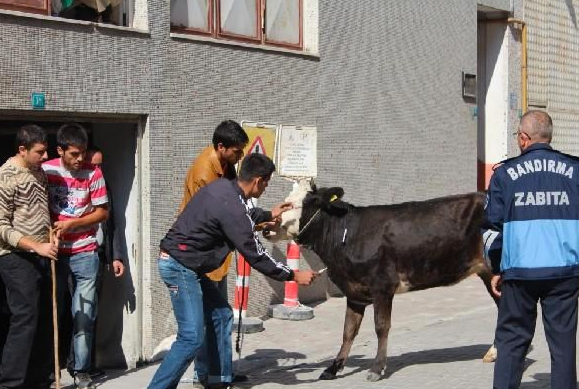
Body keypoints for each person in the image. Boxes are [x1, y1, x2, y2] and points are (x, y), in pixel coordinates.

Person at [148, 154, 318, 389]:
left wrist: (269, 214)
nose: (266, 187)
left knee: (220, 314)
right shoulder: (234, 209)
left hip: (188, 265)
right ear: (258, 181)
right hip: (179, 266)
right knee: (191, 338)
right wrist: (293, 276)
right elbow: (256, 255)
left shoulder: (224, 188)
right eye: (267, 182)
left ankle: (217, 380)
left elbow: (244, 213)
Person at [484, 110, 579, 389]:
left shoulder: (504, 175)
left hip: (519, 273)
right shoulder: (575, 171)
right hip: (564, 273)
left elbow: (491, 230)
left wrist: (497, 267)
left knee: (512, 343)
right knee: (563, 346)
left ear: (524, 138)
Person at [178, 120, 248, 386]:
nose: (240, 156)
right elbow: (219, 215)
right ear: (221, 147)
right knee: (209, 318)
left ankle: (222, 371)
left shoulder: (226, 166)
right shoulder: (204, 172)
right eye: (237, 151)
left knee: (220, 315)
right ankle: (204, 374)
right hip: (200, 253)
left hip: (217, 252)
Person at [43, 123, 109, 389]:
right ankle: (47, 370)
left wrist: (72, 224)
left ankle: (81, 370)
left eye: (82, 153)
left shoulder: (94, 173)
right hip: (52, 252)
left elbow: (103, 213)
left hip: (85, 251)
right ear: (60, 150)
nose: (79, 159)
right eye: (73, 154)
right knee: (50, 313)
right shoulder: (46, 171)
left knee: (84, 314)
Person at [0, 124, 58, 389]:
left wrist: (52, 235)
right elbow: (1, 226)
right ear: (22, 149)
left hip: (44, 253)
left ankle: (39, 381)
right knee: (25, 318)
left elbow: (42, 211)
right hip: (15, 257)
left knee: (45, 318)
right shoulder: (5, 176)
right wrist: (35, 246)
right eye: (40, 152)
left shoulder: (39, 172)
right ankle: (11, 384)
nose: (45, 157)